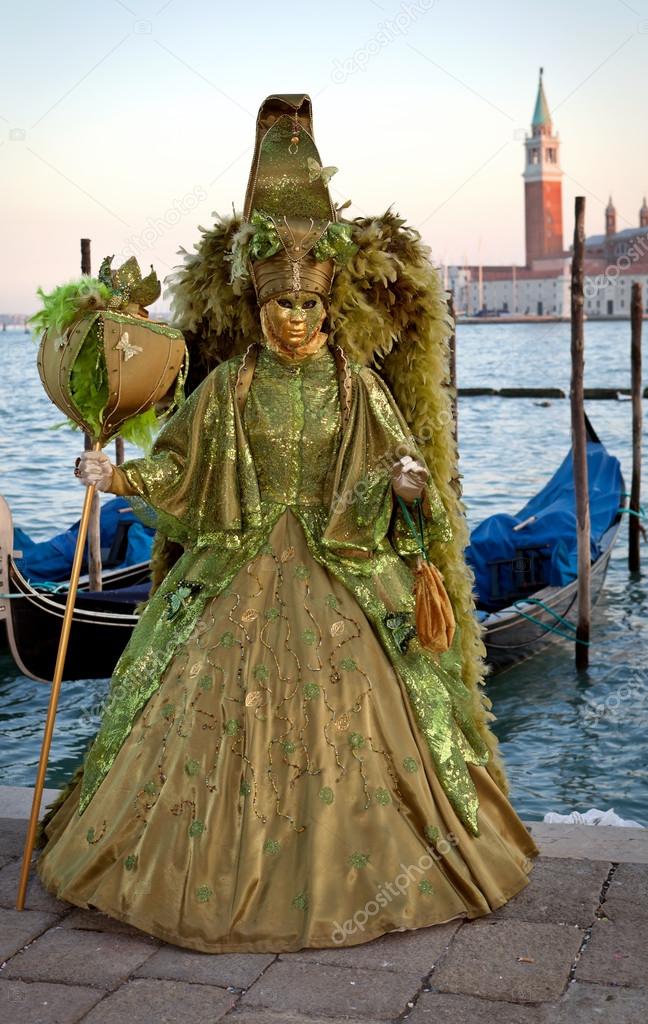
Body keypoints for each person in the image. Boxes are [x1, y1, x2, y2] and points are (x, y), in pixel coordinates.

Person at [35, 94, 538, 954]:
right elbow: (181, 469)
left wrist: (411, 486)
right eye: (281, 307)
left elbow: (401, 471)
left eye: (309, 308)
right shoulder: (229, 388)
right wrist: (113, 472)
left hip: (345, 569)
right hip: (236, 569)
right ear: (258, 305)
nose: (296, 320)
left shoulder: (358, 388)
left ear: (327, 305)